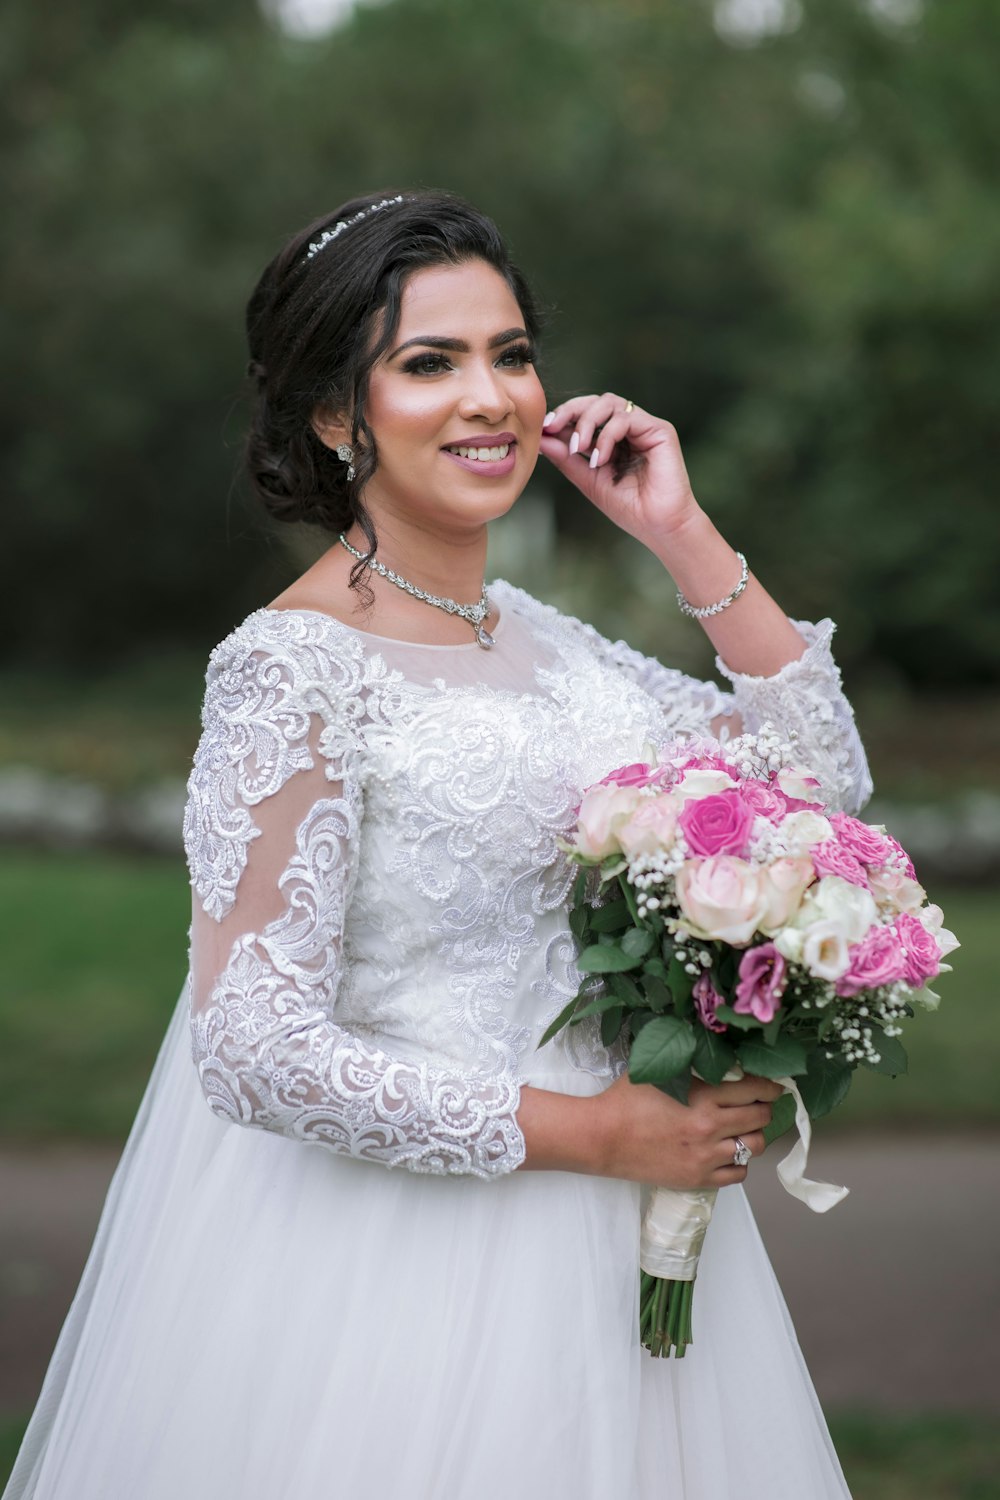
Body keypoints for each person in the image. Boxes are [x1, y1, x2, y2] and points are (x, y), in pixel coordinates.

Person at [5, 190, 869, 1499]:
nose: (493, 397)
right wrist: (601, 1136)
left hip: (621, 1245)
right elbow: (250, 1048)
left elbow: (823, 789)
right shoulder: (293, 669)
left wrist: (680, 536)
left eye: (511, 354)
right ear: (338, 412)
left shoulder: (541, 633)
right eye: (430, 362)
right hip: (406, 1275)